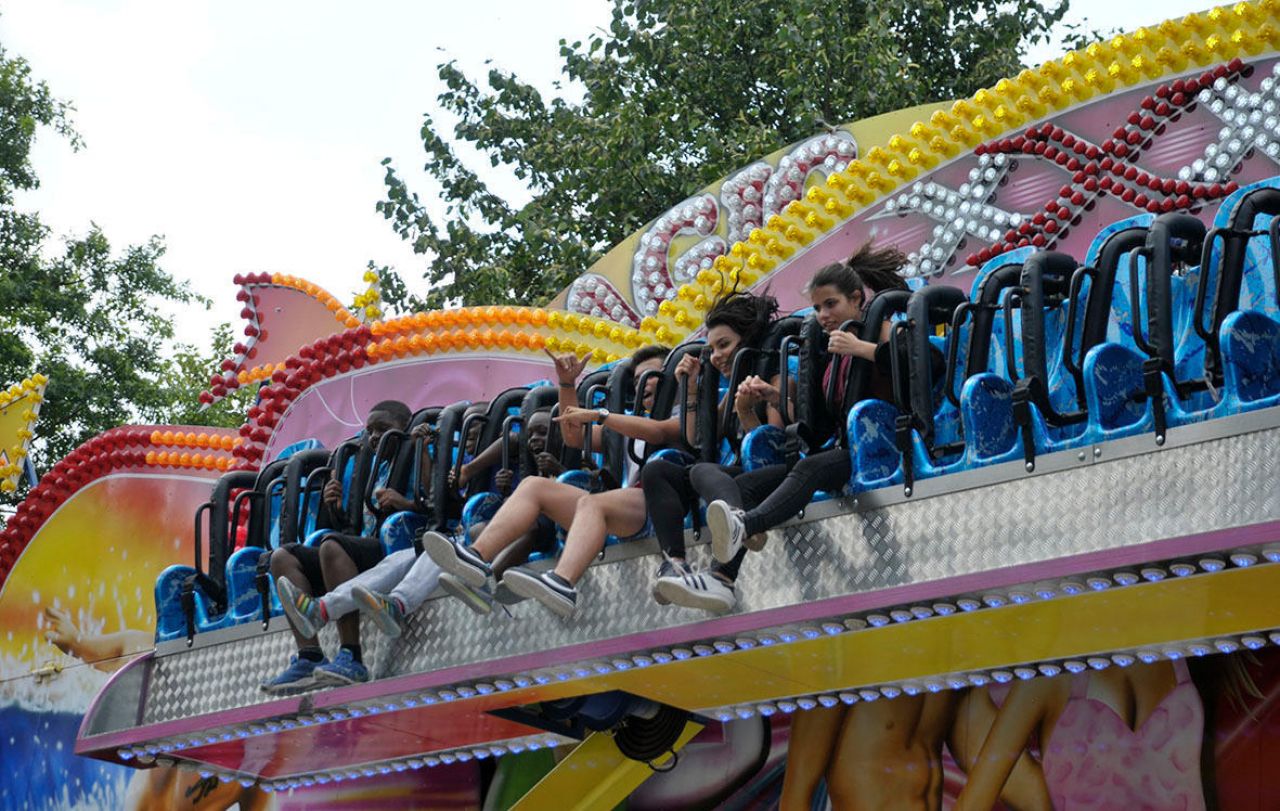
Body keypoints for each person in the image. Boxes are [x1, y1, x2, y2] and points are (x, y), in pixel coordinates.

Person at [684, 243, 910, 609]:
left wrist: (862, 349)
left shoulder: (878, 327)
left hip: (882, 444)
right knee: (745, 484)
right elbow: (818, 421)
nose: (822, 315)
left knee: (807, 468)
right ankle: (722, 578)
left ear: (856, 299)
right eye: (818, 308)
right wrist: (774, 399)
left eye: (831, 304)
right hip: (843, 447)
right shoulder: (830, 348)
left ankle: (748, 526)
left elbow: (922, 358)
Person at [420, 343, 675, 617]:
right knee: (533, 487)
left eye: (649, 376)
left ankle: (563, 583)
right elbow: (573, 436)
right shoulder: (626, 426)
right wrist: (567, 385)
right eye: (636, 381)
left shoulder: (685, 411)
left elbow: (659, 433)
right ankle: (477, 560)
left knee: (591, 504)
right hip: (626, 507)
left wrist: (602, 416)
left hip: (663, 505)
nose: (641, 385)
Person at [643, 290, 784, 613]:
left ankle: (738, 522)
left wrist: (748, 412)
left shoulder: (772, 375)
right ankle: (675, 563)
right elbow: (695, 438)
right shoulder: (733, 385)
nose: (717, 356)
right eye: (712, 349)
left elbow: (770, 450)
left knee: (701, 471)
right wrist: (691, 386)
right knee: (659, 469)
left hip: (771, 474)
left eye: (724, 345)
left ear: (747, 341)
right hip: (736, 476)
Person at [260, 400, 413, 694]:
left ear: (403, 428)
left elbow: (436, 505)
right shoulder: (363, 463)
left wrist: (402, 502)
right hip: (358, 547)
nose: (375, 437)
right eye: (370, 431)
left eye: (384, 429)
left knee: (332, 547)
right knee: (282, 557)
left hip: (395, 553)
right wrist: (336, 506)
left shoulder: (418, 450)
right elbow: (349, 526)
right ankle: (309, 655)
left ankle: (351, 656)